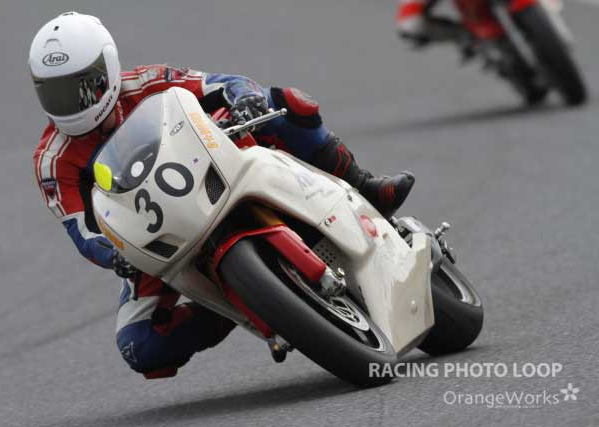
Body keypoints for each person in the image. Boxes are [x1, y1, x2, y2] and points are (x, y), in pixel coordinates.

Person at [29, 12, 415, 379]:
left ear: (107, 70)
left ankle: (366, 187)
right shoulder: (52, 161)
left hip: (210, 169)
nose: (71, 104)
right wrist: (112, 255)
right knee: (139, 346)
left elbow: (221, 83)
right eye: (55, 94)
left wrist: (244, 97)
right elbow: (82, 232)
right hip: (152, 235)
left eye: (81, 88)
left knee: (286, 103)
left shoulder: (146, 81)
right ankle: (235, 307)